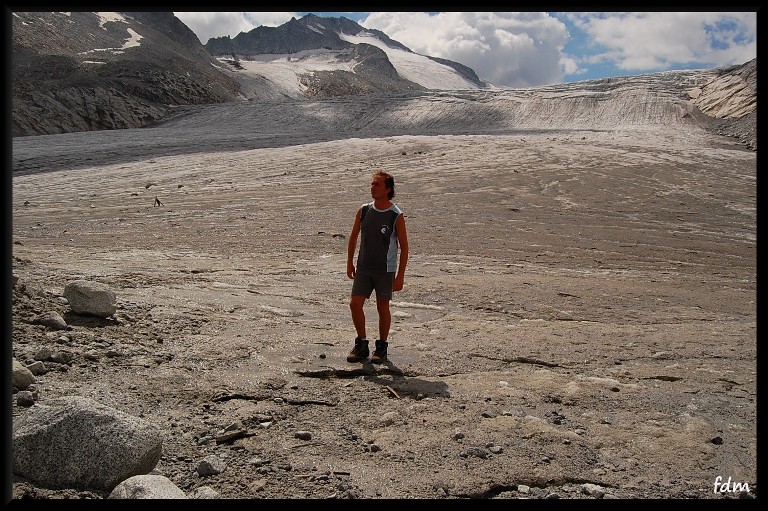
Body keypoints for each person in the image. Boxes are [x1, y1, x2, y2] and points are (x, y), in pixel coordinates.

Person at [346, 170, 409, 364]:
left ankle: (381, 347)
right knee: (354, 304)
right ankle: (362, 344)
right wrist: (349, 261)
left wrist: (400, 276)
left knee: (382, 307)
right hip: (364, 267)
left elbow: (405, 247)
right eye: (372, 184)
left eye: (377, 184)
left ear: (388, 189)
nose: (372, 187)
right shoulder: (364, 210)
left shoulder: (395, 215)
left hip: (385, 269)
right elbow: (354, 236)